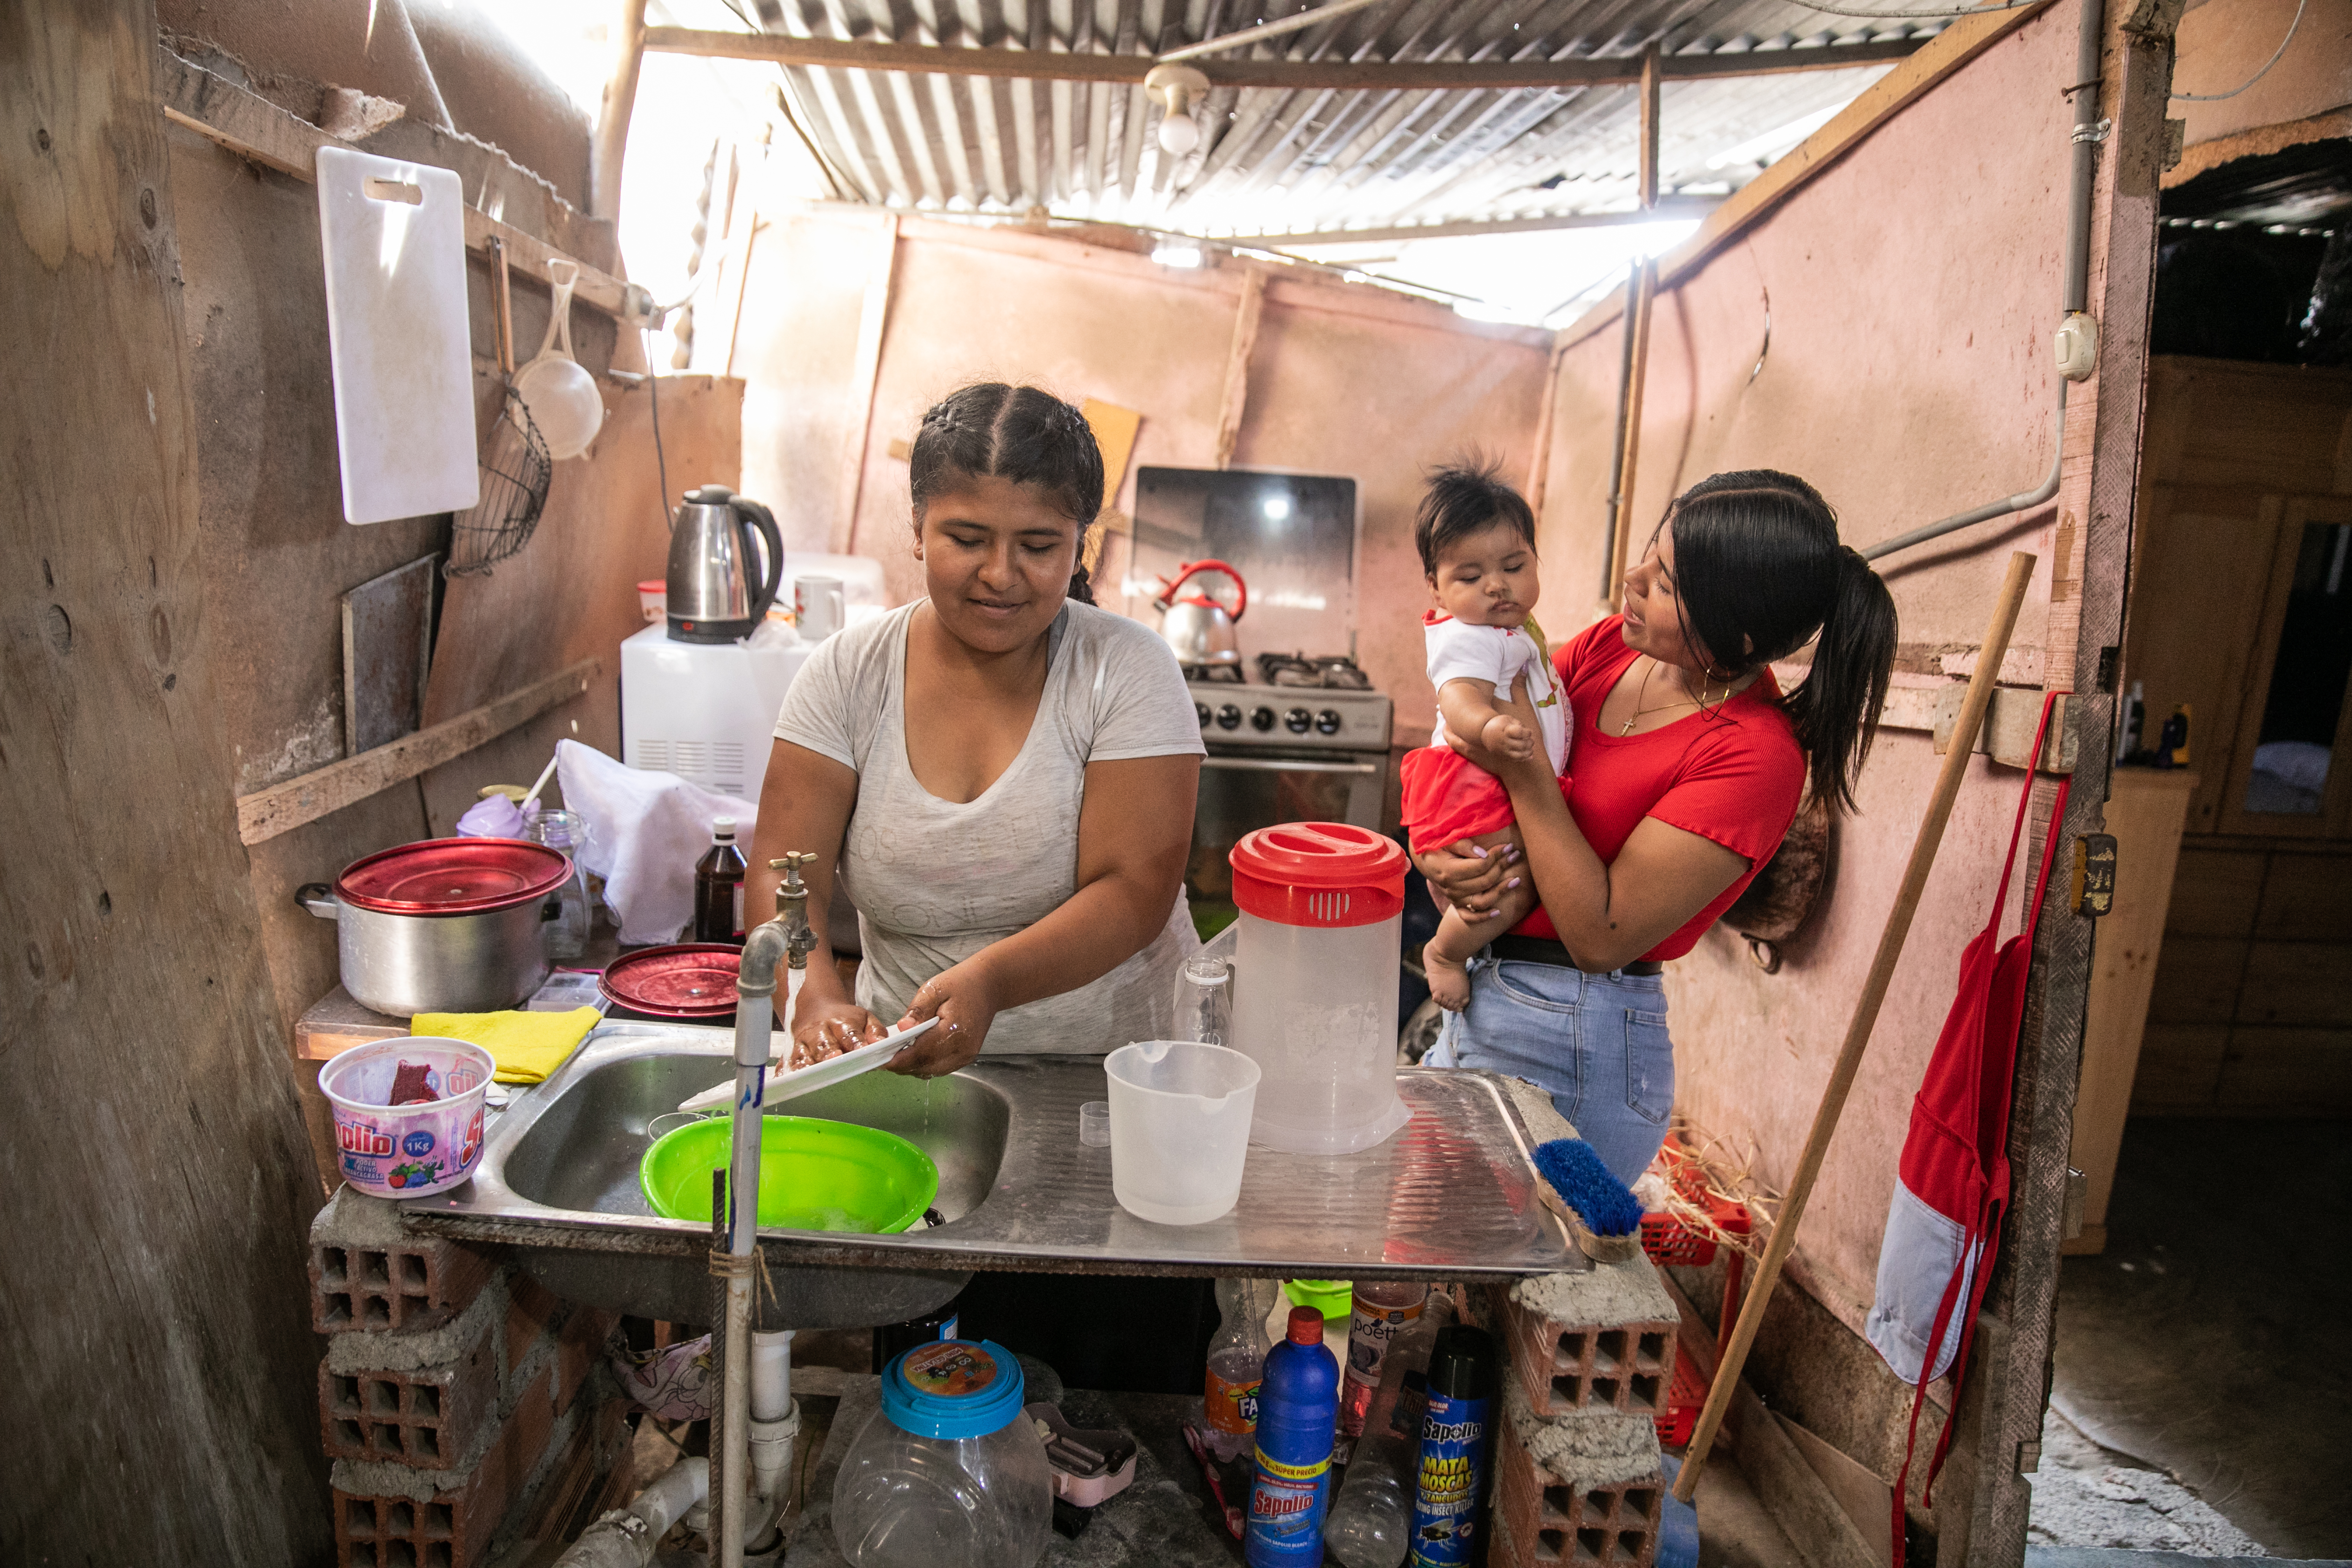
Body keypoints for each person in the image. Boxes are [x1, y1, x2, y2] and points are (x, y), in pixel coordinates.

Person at [1418, 470, 1897, 1182]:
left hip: (1575, 1040)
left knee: (1515, 1273)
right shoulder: (1615, 648)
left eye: (1667, 584)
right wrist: (1443, 855)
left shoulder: (1753, 756)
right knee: (1429, 1250)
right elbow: (1479, 745)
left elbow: (1598, 935)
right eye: (1651, 552)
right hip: (1482, 995)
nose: (1634, 579)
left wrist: (1523, 776)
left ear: (1735, 633)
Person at [749, 382, 1205, 1077]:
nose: (1000, 575)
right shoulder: (845, 675)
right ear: (917, 527)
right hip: (907, 1070)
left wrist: (990, 983)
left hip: (1119, 1073)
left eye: (1039, 545)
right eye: (966, 539)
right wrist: (812, 1001)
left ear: (1082, 542)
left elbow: (1133, 893)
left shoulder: (1129, 669)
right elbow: (786, 877)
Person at [1395, 462, 1569, 1013]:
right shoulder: (1466, 638)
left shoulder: (1513, 632)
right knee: (1507, 889)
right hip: (1469, 778)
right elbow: (1459, 702)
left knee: (1492, 881)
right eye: (1470, 578)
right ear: (1437, 589)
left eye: (1514, 566)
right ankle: (1444, 954)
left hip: (1485, 781)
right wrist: (1491, 726)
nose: (1497, 585)